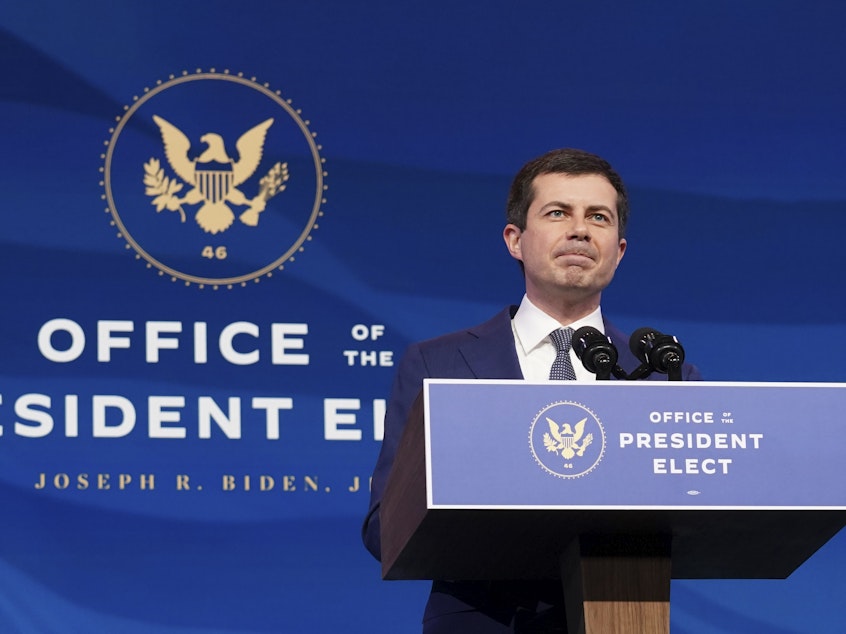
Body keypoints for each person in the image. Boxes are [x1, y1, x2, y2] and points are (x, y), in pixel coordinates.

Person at [362, 148, 701, 633]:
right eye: (558, 212)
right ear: (515, 240)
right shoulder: (438, 365)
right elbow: (384, 526)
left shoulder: (663, 375)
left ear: (619, 250)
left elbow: (699, 515)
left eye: (598, 217)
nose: (580, 230)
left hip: (625, 614)